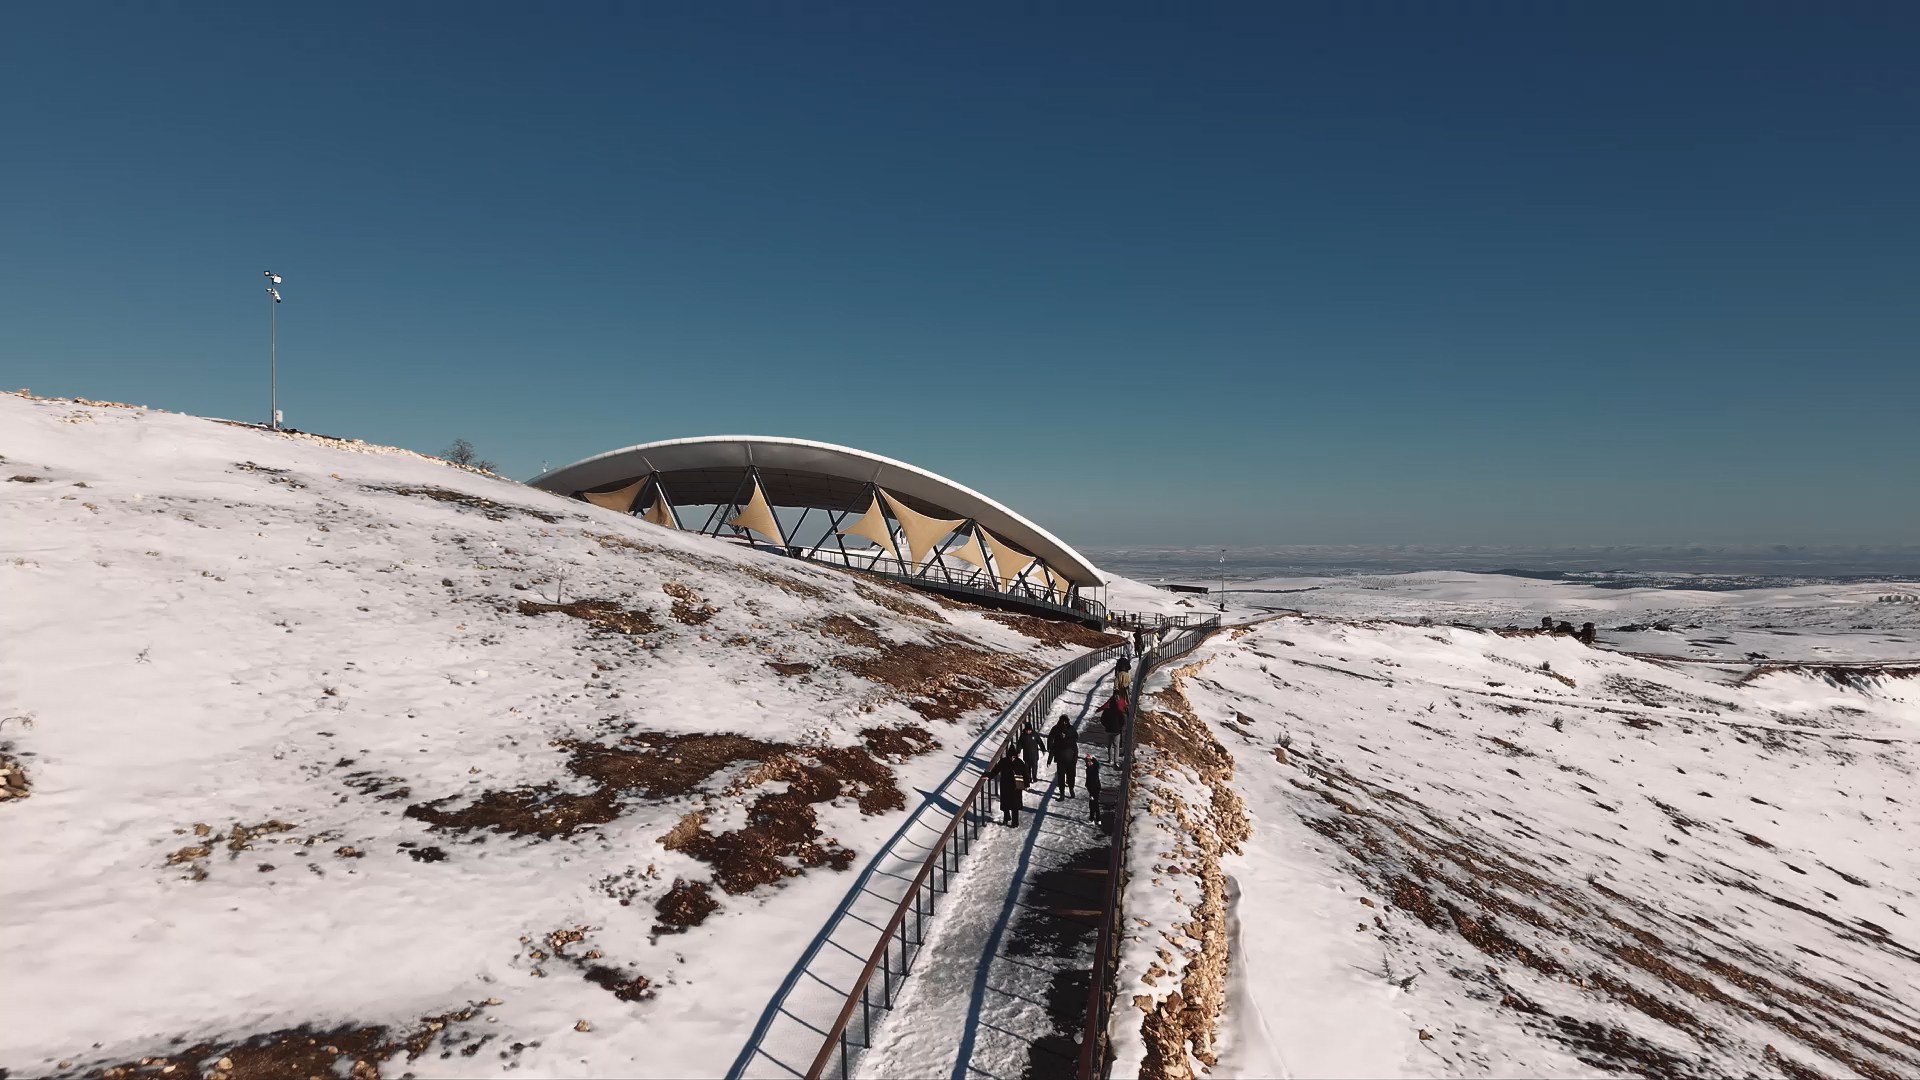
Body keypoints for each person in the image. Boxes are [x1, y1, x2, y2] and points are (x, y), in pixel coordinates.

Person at [989, 753, 1023, 825]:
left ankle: (1013, 822)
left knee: (1011, 805)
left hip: (1010, 786)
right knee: (1008, 804)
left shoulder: (1005, 761)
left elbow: (1025, 772)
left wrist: (1026, 783)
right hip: (1011, 786)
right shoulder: (1017, 761)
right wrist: (989, 776)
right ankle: (1010, 820)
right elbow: (996, 770)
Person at [1048, 715, 1079, 796]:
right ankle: (1062, 793)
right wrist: (1050, 756)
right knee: (1061, 777)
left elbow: (1075, 745)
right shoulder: (1056, 730)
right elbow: (1051, 742)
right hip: (1060, 759)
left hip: (1070, 759)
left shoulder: (1071, 731)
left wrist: (1075, 759)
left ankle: (1071, 789)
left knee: (1071, 776)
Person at [1099, 693, 1127, 760]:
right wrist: (1119, 727)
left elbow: (1102, 720)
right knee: (1116, 746)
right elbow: (1123, 721)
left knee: (1109, 745)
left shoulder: (1106, 710)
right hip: (1117, 731)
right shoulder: (1119, 711)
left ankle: (1110, 759)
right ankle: (1116, 761)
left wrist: (1106, 725)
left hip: (1108, 730)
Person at [1084, 754, 1102, 823]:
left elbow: (1097, 764)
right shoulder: (1088, 769)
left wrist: (1093, 758)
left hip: (1095, 788)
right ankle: (1096, 819)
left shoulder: (1095, 767)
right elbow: (1088, 779)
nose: (1088, 763)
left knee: (1094, 804)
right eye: (1087, 761)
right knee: (1093, 804)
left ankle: (1094, 819)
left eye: (1089, 761)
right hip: (1091, 788)